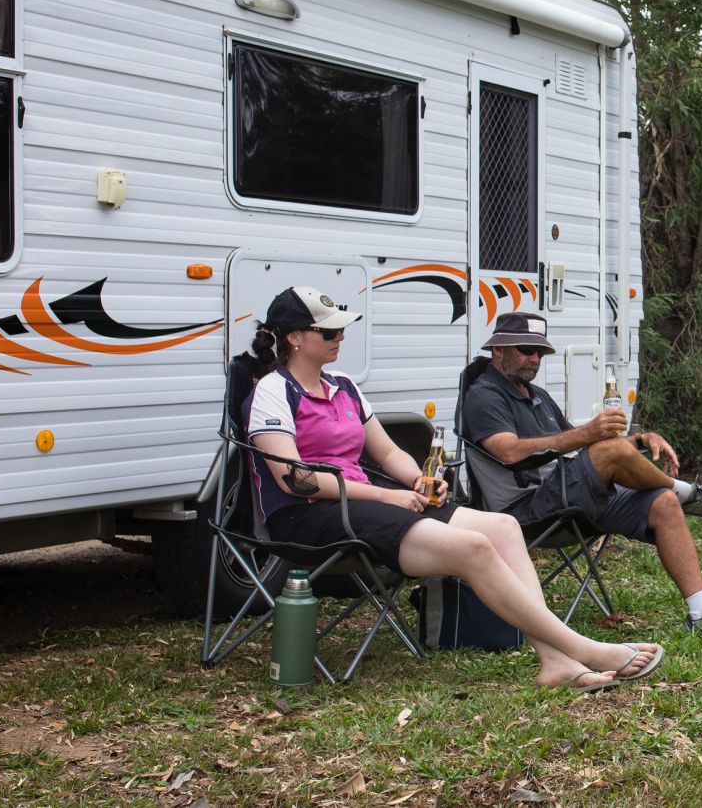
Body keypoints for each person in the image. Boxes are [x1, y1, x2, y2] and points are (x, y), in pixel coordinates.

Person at [242, 286, 662, 693]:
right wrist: (390, 495)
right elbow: (294, 479)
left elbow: (387, 453)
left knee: (502, 528)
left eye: (341, 329)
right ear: (295, 338)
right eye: (329, 331)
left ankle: (555, 662)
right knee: (473, 549)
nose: (340, 337)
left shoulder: (343, 387)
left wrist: (416, 481)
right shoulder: (273, 391)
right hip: (307, 518)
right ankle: (582, 648)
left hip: (364, 504)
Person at [460, 311, 702, 644]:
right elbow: (507, 451)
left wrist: (639, 440)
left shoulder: (536, 395)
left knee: (663, 503)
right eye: (525, 349)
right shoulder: (484, 396)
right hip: (524, 512)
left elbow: (583, 445)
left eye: (540, 351)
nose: (534, 358)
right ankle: (690, 493)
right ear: (497, 349)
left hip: (568, 500)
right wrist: (589, 434)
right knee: (615, 455)